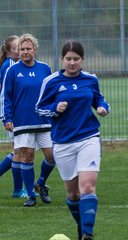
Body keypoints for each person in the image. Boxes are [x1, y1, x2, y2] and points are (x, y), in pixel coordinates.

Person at [36, 41, 110, 240]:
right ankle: (81, 227)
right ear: (62, 59)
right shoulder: (51, 82)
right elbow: (40, 108)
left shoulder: (90, 80)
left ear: (82, 60)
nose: (72, 63)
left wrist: (103, 108)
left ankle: (87, 234)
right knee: (73, 194)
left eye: (76, 59)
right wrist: (55, 108)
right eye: (68, 59)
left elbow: (99, 99)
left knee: (87, 187)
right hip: (62, 142)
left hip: (88, 137)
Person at [0, 33, 56, 207]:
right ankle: (31, 195)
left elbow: (52, 92)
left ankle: (40, 183)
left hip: (44, 120)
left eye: (28, 49)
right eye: (22, 49)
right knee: (27, 156)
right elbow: (5, 97)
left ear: (35, 50)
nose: (24, 52)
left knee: (52, 155)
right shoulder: (12, 70)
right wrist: (6, 118)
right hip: (22, 121)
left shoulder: (45, 68)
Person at [0, 35, 29, 199]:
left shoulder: (10, 64)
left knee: (20, 150)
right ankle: (17, 189)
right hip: (12, 114)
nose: (21, 49)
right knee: (19, 151)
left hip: (14, 113)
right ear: (9, 50)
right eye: (17, 47)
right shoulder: (10, 65)